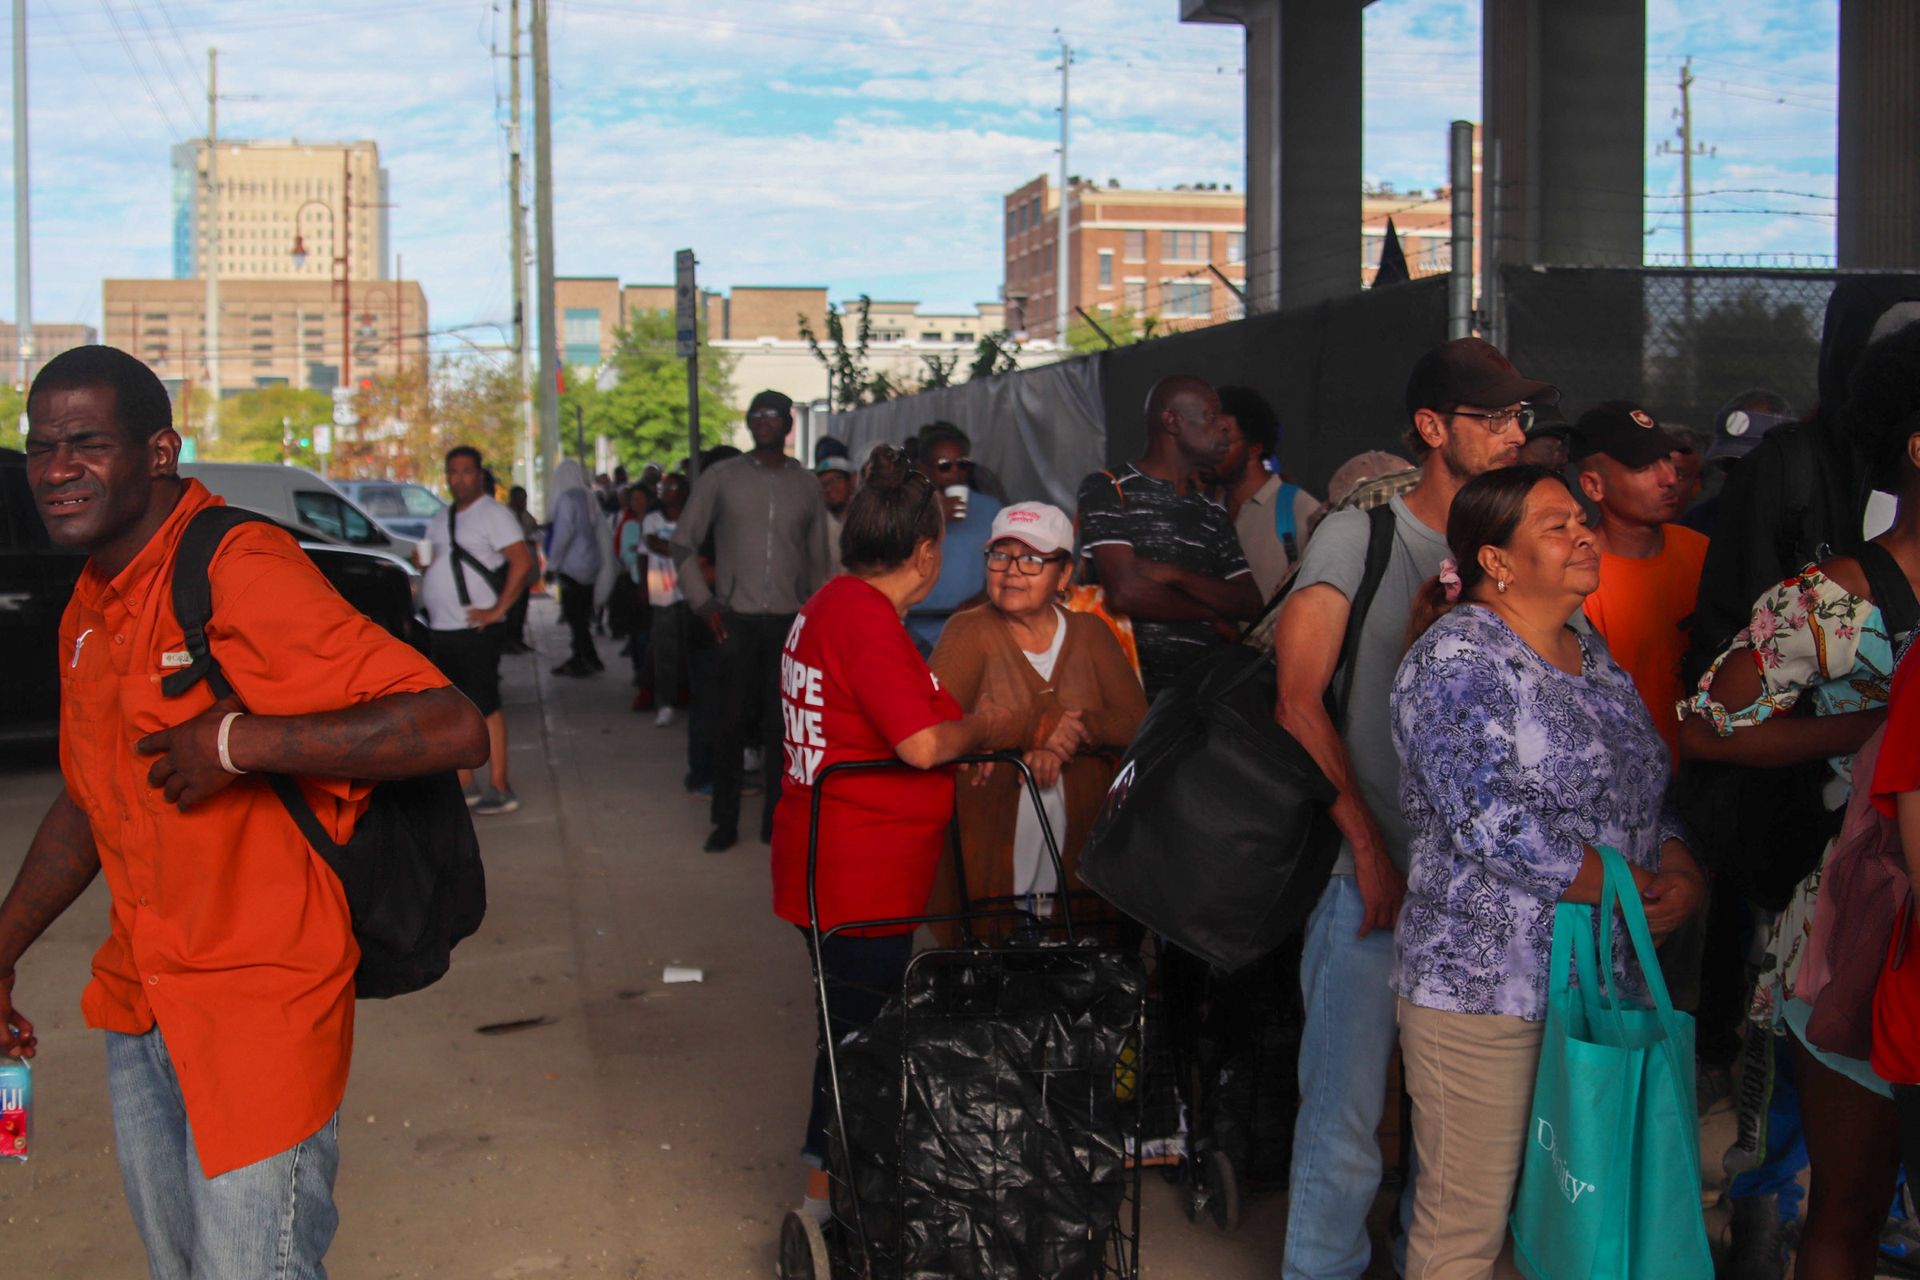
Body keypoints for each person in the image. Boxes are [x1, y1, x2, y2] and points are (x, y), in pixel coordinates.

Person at [0, 345, 486, 1277]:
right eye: (40, 446)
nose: (56, 468)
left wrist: (240, 743)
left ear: (158, 451)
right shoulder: (90, 604)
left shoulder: (236, 566)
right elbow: (87, 803)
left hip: (258, 1009)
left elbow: (451, 724)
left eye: (86, 442)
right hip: (144, 1004)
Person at [1270, 337, 1558, 1280]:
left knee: (1455, 1141)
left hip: (1484, 906)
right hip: (1376, 886)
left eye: (1524, 417)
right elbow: (1298, 698)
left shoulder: (1515, 549)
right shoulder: (1364, 535)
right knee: (1347, 1122)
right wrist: (1367, 848)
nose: (1517, 433)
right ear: (1433, 429)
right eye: (1494, 417)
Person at [1390, 464, 1706, 1278]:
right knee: (1465, 1227)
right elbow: (1485, 819)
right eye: (1557, 525)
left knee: (1573, 1215)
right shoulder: (1459, 657)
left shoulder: (1588, 650)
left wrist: (1674, 861)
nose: (1584, 535)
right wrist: (1620, 886)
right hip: (1485, 990)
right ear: (1496, 560)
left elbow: (1641, 791)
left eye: (1581, 520)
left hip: (1597, 980)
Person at [1682, 322, 1920, 1280]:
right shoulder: (1836, 596)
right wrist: (1870, 737)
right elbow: (1706, 724)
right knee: (1849, 1206)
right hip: (1857, 922)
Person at [769, 445, 1014, 1224]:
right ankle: (828, 1200)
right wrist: (982, 730)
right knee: (856, 1040)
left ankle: (839, 1186)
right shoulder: (867, 623)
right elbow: (917, 743)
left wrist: (955, 739)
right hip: (858, 871)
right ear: (925, 552)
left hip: (832, 861)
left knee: (850, 1029)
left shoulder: (837, 605)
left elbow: (902, 713)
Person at [927, 502, 1148, 936]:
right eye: (1000, 555)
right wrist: (1013, 737)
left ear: (1063, 575)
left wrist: (1070, 736)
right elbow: (933, 726)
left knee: (1078, 964)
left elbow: (1136, 720)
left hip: (1081, 864)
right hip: (990, 860)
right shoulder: (967, 630)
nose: (1012, 570)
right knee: (996, 963)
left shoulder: (1090, 633)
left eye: (1031, 559)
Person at [671, 390, 833, 852]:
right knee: (728, 724)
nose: (765, 422)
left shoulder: (807, 485)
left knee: (781, 728)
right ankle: (724, 821)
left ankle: (775, 822)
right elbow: (682, 544)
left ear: (788, 425)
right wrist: (704, 604)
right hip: (733, 620)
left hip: (788, 622)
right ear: (748, 422)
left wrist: (815, 621)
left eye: (774, 415)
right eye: (757, 414)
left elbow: (820, 561)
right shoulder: (722, 477)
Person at [1075, 376, 1261, 700]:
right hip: (1120, 696)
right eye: (1210, 416)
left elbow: (1249, 602)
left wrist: (1175, 575)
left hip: (1196, 702)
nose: (1223, 429)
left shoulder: (1212, 513)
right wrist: (1209, 613)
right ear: (1172, 421)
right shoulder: (1109, 487)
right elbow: (1126, 592)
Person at [1572, 401, 1707, 763]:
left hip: (1706, 776)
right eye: (1645, 466)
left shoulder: (1702, 552)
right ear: (1593, 485)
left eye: (1667, 459)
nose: (1669, 477)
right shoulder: (1575, 578)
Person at [419, 445, 535, 815]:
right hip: (443, 626)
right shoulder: (442, 517)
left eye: (467, 471)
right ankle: (465, 782)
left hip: (477, 629)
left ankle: (500, 785)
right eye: (453, 472)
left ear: (480, 475)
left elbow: (523, 562)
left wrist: (498, 609)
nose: (459, 479)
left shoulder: (493, 515)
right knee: (455, 707)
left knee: (486, 704)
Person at [905, 423, 1004, 655]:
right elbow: (891, 558)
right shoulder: (906, 512)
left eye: (962, 464)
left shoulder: (991, 509)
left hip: (970, 626)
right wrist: (932, 516)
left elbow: (1004, 565)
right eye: (944, 466)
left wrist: (981, 599)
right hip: (913, 630)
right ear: (923, 469)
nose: (955, 473)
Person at [1214, 384, 1321, 600]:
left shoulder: (1300, 510)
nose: (1211, 447)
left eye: (1224, 438)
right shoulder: (1208, 509)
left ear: (1255, 447)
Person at [1681, 390, 1796, 540]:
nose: (1736, 474)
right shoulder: (1698, 525)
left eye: (1751, 462)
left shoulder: (1816, 521)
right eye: (1729, 463)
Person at [546, 458, 604, 677]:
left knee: (575, 617)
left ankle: (581, 659)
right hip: (590, 563)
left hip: (572, 566)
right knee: (582, 616)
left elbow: (563, 535)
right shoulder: (587, 496)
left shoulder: (567, 499)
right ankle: (589, 656)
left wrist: (552, 565)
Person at [643, 474, 690, 728]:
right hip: (662, 594)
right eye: (662, 487)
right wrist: (682, 549)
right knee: (665, 652)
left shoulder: (693, 517)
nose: (664, 491)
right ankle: (665, 703)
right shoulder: (652, 518)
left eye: (670, 487)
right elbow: (652, 545)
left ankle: (689, 698)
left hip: (691, 593)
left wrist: (669, 546)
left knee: (691, 650)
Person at [615, 484, 654, 698]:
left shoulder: (657, 521)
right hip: (636, 584)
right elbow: (626, 555)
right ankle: (641, 671)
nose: (637, 502)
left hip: (659, 587)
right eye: (634, 499)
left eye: (641, 498)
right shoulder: (629, 525)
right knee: (640, 633)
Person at [503, 484, 541, 653]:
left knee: (522, 607)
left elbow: (533, 528)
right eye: (519, 499)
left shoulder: (525, 516)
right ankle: (510, 640)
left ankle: (518, 638)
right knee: (513, 609)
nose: (522, 503)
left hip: (527, 570)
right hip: (512, 569)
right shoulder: (506, 516)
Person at [817, 455, 854, 573]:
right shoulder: (817, 522)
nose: (830, 488)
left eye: (837, 479)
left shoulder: (864, 518)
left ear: (851, 482)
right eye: (824, 483)